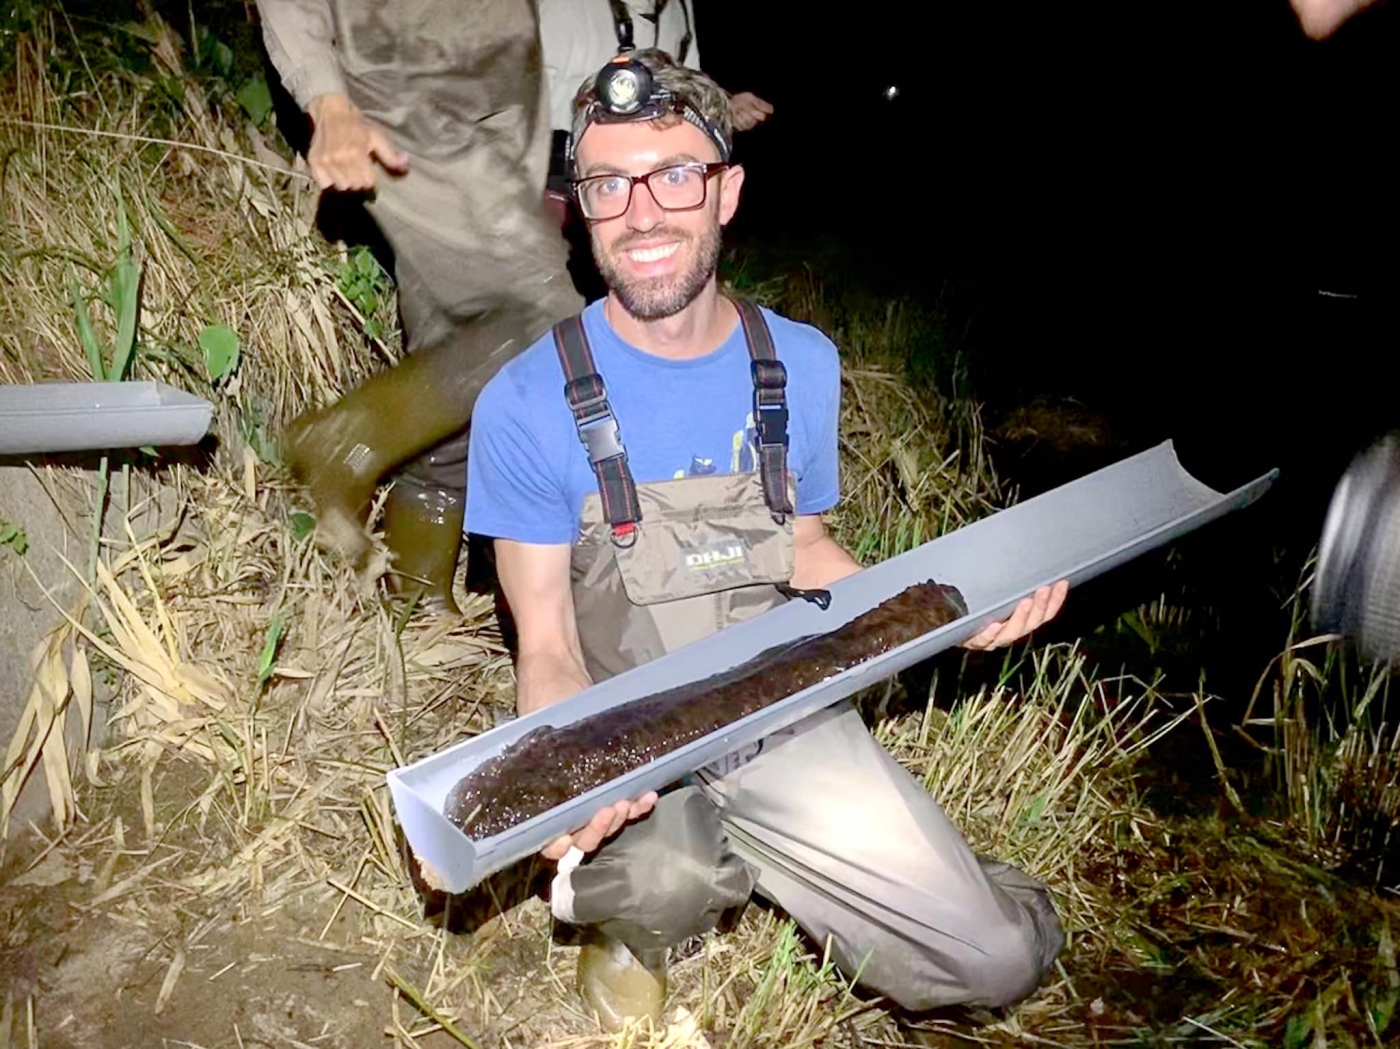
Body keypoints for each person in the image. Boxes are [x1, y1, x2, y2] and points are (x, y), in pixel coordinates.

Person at [463, 48, 1071, 1032]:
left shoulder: (797, 360)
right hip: (624, 709)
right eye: (609, 184)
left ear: (726, 191)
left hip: (772, 695)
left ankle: (840, 860)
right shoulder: (522, 401)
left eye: (674, 175)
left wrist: (948, 613)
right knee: (664, 873)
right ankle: (634, 906)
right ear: (577, 208)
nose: (643, 213)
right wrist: (576, 773)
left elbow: (807, 550)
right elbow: (546, 644)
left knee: (991, 959)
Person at [253, 0, 585, 615]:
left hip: (498, 121)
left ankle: (415, 593)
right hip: (406, 109)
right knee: (551, 321)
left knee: (452, 355)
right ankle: (340, 443)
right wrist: (328, 100)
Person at [538, 0, 773, 297]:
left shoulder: (680, 9)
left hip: (652, 172)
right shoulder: (559, 8)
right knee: (552, 294)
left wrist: (724, 105)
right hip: (557, 174)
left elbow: (685, 91)